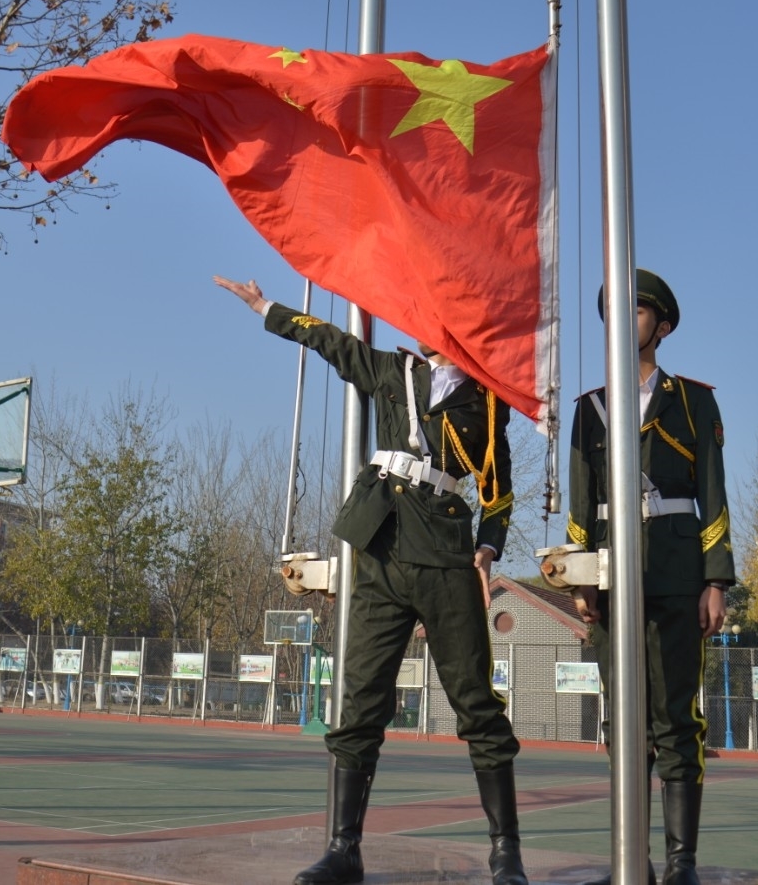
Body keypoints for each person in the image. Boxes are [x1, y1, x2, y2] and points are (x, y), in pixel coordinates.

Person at [214, 275, 528, 885]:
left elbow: (500, 492)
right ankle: (343, 849)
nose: (423, 325)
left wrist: (488, 548)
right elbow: (331, 341)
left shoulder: (487, 400)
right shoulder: (392, 371)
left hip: (446, 555)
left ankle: (505, 852)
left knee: (475, 704)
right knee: (359, 701)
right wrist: (265, 306)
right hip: (381, 548)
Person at [565, 269, 733, 885]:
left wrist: (716, 581)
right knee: (623, 720)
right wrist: (581, 576)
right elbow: (580, 503)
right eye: (614, 310)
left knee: (676, 717)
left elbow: (713, 492)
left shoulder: (694, 400)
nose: (622, 319)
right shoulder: (590, 408)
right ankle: (630, 859)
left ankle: (681, 862)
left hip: (677, 570)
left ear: (661, 327)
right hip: (611, 575)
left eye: (635, 311)